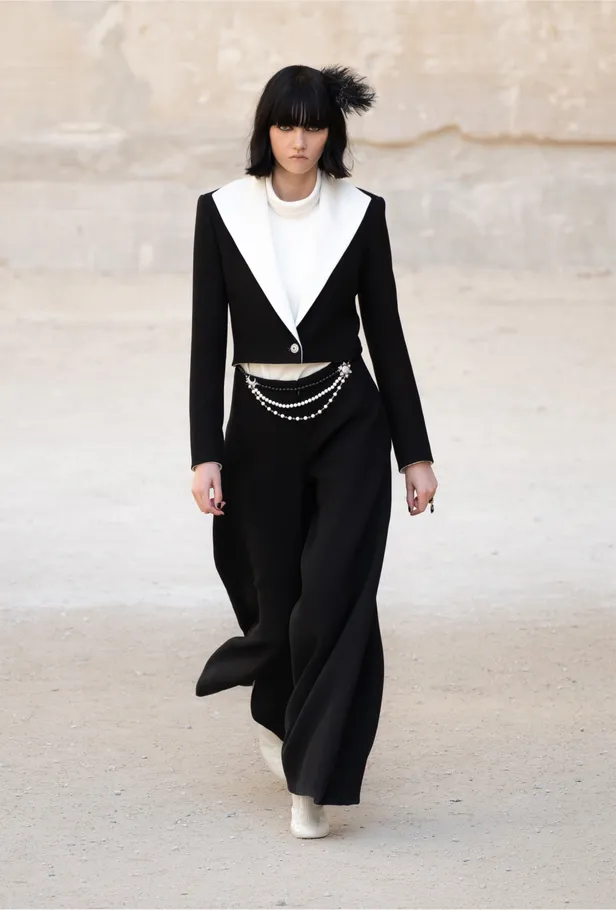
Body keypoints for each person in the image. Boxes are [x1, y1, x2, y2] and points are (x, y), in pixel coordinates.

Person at [189, 63, 438, 839]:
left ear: (332, 133)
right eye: (286, 125)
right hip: (257, 430)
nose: (299, 140)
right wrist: (204, 452)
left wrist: (414, 453)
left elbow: (386, 336)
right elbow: (207, 340)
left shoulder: (361, 213)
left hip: (349, 424)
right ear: (266, 130)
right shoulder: (221, 211)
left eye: (314, 125)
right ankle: (275, 703)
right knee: (277, 599)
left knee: (333, 594)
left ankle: (313, 781)